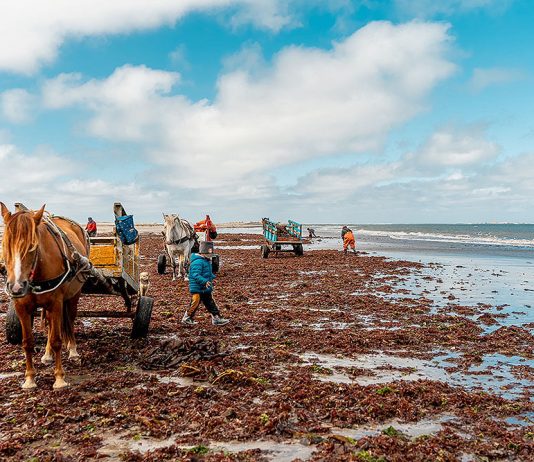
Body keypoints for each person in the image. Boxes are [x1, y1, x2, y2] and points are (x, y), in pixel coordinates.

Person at [182, 241, 229, 326]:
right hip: (197, 287)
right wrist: (205, 281)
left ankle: (216, 318)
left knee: (210, 303)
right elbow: (195, 275)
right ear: (203, 253)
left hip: (205, 288)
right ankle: (187, 318)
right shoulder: (197, 262)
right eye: (209, 255)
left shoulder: (206, 261)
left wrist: (212, 278)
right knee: (195, 303)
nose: (210, 257)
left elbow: (207, 272)